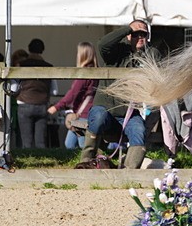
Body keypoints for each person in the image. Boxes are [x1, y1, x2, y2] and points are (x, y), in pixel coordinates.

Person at [80, 20, 161, 169]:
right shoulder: (115, 53)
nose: (140, 37)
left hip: (130, 114)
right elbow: (103, 44)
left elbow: (157, 64)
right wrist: (128, 29)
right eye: (136, 34)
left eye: (143, 34)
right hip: (105, 111)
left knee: (139, 130)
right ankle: (86, 162)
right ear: (129, 36)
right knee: (98, 116)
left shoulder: (150, 54)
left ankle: (129, 172)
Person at [49, 42, 98, 150]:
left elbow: (72, 93)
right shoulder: (95, 72)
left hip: (83, 115)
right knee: (69, 144)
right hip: (85, 112)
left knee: (82, 145)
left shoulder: (83, 74)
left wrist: (57, 106)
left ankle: (86, 164)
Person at [16, 38, 53, 149]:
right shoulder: (49, 67)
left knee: (26, 142)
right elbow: (54, 90)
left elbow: (14, 86)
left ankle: (26, 162)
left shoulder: (21, 65)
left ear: (29, 48)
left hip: (24, 103)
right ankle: (42, 163)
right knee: (40, 142)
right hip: (42, 105)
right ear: (42, 50)